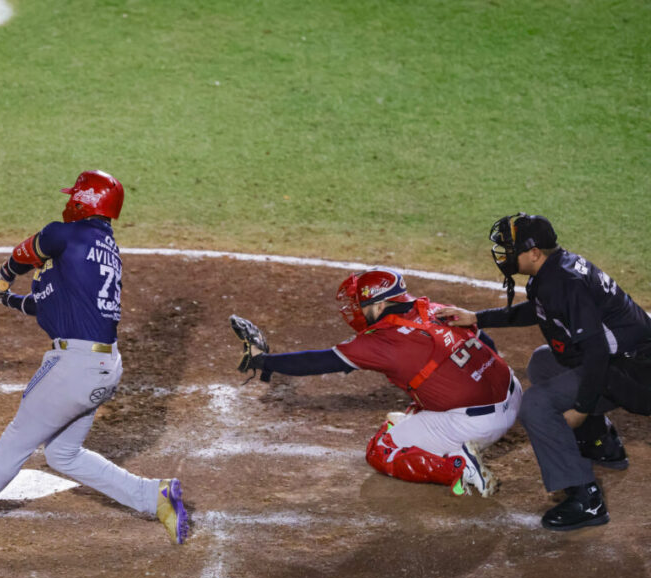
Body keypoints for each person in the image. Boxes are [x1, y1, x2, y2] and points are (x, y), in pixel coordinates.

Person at [0, 170, 189, 545]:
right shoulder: (103, 249)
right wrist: (9, 300)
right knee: (63, 454)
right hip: (102, 367)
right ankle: (152, 496)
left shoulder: (63, 234)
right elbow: (50, 305)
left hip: (74, 367)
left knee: (18, 438)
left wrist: (5, 276)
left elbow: (26, 251)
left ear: (82, 201)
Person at [441, 213, 651, 531]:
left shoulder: (565, 283)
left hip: (635, 372)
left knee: (537, 405)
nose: (505, 254)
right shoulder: (555, 270)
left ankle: (586, 499)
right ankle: (601, 444)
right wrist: (477, 318)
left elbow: (595, 354)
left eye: (511, 248)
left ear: (535, 252)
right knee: (543, 362)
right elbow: (538, 309)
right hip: (623, 360)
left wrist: (580, 409)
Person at [233, 267, 521, 497]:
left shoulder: (382, 341)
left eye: (362, 304)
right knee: (424, 393)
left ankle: (459, 467)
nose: (357, 310)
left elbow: (319, 361)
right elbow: (487, 342)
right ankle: (453, 431)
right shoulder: (432, 308)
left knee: (381, 450)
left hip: (478, 423)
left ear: (382, 303)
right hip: (512, 393)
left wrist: (263, 360)